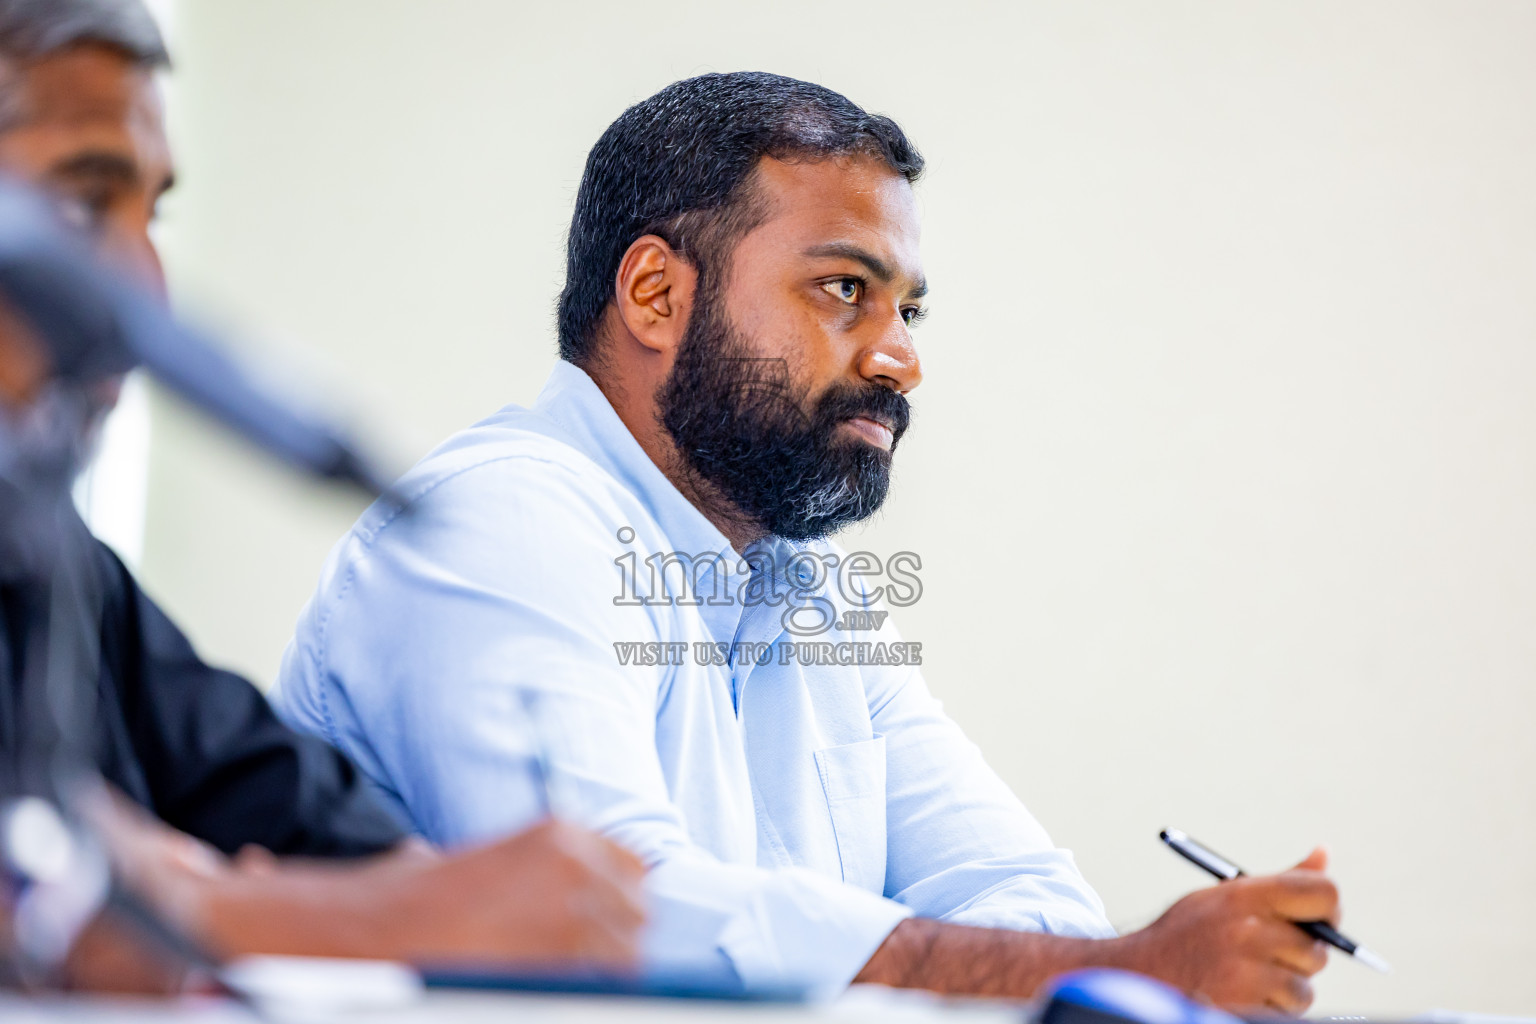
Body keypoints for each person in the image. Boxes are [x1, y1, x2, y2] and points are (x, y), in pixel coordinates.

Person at [276, 71, 1343, 1012]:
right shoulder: (497, 523)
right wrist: (1124, 966)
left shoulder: (803, 584)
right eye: (845, 290)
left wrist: (1106, 964)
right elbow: (608, 921)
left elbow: (1023, 893)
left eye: (908, 311)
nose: (899, 358)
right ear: (656, 294)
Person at [0, 0, 643, 990]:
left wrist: (476, 895)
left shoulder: (54, 560)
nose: (145, 292)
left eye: (151, 212)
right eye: (83, 205)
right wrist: (358, 911)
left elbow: (290, 806)